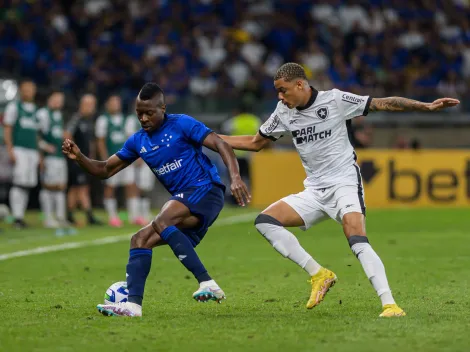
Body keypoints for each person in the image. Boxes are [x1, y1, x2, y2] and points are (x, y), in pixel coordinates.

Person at [220, 62, 460, 318]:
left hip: (344, 182)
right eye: (278, 91)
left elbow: (383, 103)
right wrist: (208, 138)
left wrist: (426, 106)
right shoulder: (283, 111)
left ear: (300, 84)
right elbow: (255, 142)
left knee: (356, 237)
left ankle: (389, 304)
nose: (280, 96)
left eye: (283, 90)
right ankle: (319, 274)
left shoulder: (334, 100)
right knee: (265, 221)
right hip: (314, 190)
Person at [62, 82, 250, 317]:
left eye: (149, 112)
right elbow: (104, 170)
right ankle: (133, 306)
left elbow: (221, 144)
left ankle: (207, 283)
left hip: (206, 190)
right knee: (139, 239)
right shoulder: (138, 141)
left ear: (163, 108)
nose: (143, 118)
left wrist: (235, 177)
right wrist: (79, 157)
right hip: (183, 203)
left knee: (163, 218)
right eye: (139, 113)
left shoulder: (182, 123)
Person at [95, 95, 140, 227]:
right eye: (113, 102)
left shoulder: (127, 120)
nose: (116, 105)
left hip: (126, 159)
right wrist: (105, 159)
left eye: (117, 102)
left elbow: (131, 139)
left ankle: (134, 215)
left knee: (131, 185)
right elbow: (100, 141)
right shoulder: (103, 120)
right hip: (112, 159)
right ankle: (113, 216)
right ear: (107, 104)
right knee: (110, 187)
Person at [3, 80, 39, 229]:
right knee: (19, 182)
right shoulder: (14, 106)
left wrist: (39, 151)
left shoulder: (36, 110)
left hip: (32, 150)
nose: (28, 92)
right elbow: (7, 128)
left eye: (30, 89)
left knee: (28, 184)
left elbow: (37, 133)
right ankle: (17, 217)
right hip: (19, 148)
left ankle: (21, 215)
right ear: (21, 91)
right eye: (25, 89)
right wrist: (10, 149)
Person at [64, 94, 102, 226]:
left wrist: (90, 157)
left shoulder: (89, 121)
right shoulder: (76, 119)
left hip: (84, 159)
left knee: (76, 188)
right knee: (82, 187)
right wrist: (74, 153)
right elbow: (67, 135)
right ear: (82, 105)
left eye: (93, 105)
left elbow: (90, 142)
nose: (91, 108)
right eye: (89, 105)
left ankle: (68, 215)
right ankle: (89, 215)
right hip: (76, 159)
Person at [36, 90, 70, 234]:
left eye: (60, 100)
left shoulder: (58, 115)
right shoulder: (43, 114)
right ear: (49, 99)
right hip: (49, 157)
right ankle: (48, 217)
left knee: (60, 186)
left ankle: (61, 216)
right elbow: (36, 134)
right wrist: (43, 151)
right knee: (48, 186)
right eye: (56, 99)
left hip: (59, 156)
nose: (58, 102)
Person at [125, 112, 155, 223]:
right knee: (135, 185)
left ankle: (144, 213)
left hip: (150, 157)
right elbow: (130, 139)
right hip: (137, 157)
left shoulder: (153, 120)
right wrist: (138, 156)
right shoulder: (132, 120)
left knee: (146, 186)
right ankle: (134, 215)